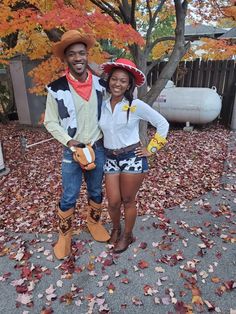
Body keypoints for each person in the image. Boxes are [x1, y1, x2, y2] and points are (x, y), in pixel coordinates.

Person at [44, 30, 110, 260]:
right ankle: (65, 236)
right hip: (71, 150)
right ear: (66, 58)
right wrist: (69, 141)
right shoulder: (56, 88)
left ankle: (94, 223)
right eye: (72, 54)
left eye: (82, 53)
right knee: (70, 194)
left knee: (95, 190)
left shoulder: (103, 85)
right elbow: (50, 121)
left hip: (97, 148)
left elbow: (121, 104)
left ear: (87, 55)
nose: (78, 58)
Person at [99, 58, 169, 253]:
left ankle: (127, 236)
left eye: (123, 80)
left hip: (132, 157)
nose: (117, 84)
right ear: (109, 80)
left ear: (129, 84)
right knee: (113, 202)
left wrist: (151, 148)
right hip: (110, 158)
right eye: (114, 79)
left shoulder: (135, 105)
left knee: (128, 200)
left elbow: (163, 123)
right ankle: (115, 228)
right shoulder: (103, 105)